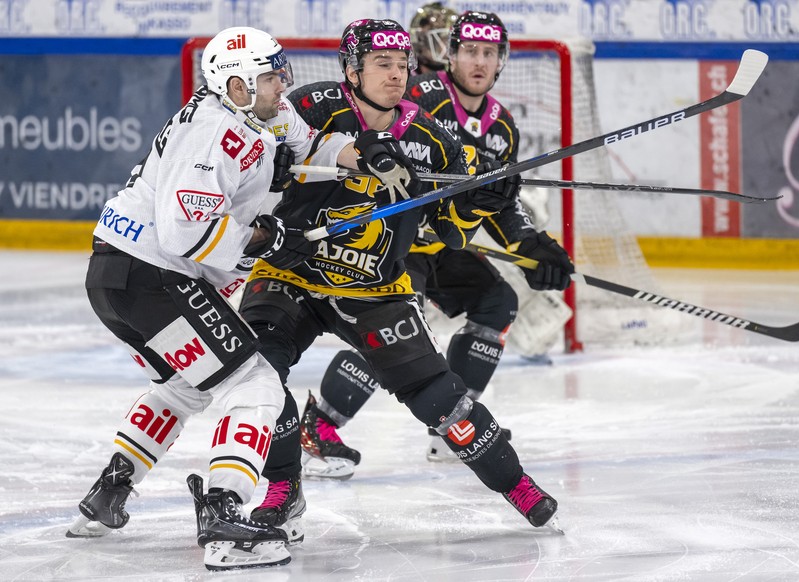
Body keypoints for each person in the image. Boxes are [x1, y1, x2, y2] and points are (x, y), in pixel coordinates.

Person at [65, 26, 398, 571]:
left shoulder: (258, 108)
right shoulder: (213, 133)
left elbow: (305, 143)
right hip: (153, 276)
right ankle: (223, 515)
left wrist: (359, 154)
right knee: (256, 381)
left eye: (279, 72)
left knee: (184, 386)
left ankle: (112, 491)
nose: (281, 84)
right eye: (270, 77)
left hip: (118, 277)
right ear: (237, 84)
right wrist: (266, 239)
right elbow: (182, 233)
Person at [237, 18, 561, 535]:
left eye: (402, 64)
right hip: (291, 273)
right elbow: (256, 150)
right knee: (257, 373)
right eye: (382, 64)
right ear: (351, 70)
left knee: (440, 399)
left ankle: (515, 482)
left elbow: (450, 233)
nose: (396, 74)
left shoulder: (431, 136)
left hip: (375, 287)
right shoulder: (312, 107)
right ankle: (283, 488)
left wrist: (480, 202)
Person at [302, 10, 575, 474]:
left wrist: (529, 243)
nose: (479, 62)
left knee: (497, 301)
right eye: (470, 50)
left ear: (502, 60)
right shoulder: (422, 97)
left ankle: (453, 427)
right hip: (391, 242)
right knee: (392, 329)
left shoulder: (502, 125)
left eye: (489, 53)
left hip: (440, 245)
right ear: (449, 55)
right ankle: (320, 425)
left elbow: (499, 199)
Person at [409, 1, 458, 74]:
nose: (448, 47)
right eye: (439, 38)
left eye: (449, 40)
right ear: (421, 41)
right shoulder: (406, 79)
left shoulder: (456, 79)